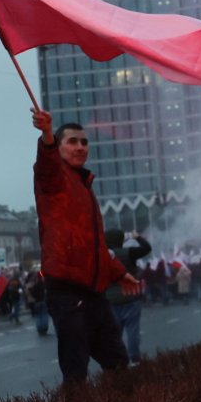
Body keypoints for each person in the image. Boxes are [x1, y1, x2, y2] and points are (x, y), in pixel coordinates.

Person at [29, 109, 142, 383]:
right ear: (59, 146)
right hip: (67, 291)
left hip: (93, 292)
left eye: (84, 142)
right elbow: (46, 163)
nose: (80, 147)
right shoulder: (55, 178)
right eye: (72, 141)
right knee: (76, 369)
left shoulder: (84, 186)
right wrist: (47, 135)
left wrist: (116, 271)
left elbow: (93, 244)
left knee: (117, 361)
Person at [105, 229, 153, 365]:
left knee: (115, 334)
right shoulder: (129, 253)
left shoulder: (103, 256)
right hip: (130, 296)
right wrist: (137, 237)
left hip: (111, 299)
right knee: (133, 330)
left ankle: (118, 360)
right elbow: (147, 248)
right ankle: (135, 358)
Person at [24, 269, 50, 337]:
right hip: (42, 300)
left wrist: (32, 293)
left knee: (38, 316)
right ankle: (44, 328)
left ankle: (40, 328)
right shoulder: (42, 283)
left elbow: (30, 293)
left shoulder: (32, 285)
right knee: (44, 315)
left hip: (36, 301)